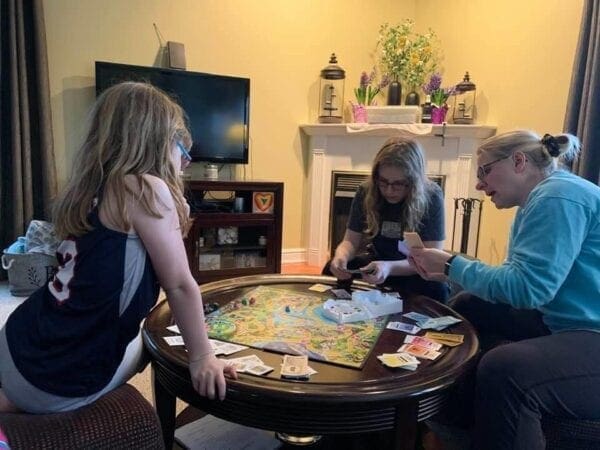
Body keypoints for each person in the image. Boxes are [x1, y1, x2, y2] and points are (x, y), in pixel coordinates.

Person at [0, 82, 237, 414]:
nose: (184, 163)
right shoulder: (145, 187)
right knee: (153, 341)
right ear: (156, 142)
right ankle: (22, 406)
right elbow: (180, 283)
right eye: (181, 150)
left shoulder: (90, 186)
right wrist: (202, 356)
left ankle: (12, 400)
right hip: (54, 378)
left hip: (18, 342)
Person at [410, 130, 600, 449]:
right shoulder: (535, 201)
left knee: (505, 369)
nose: (479, 185)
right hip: (565, 319)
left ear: (519, 161)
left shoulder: (557, 195)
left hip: (591, 333)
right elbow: (516, 280)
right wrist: (452, 269)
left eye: (484, 171)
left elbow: (527, 290)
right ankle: (448, 421)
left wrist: (450, 265)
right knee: (470, 305)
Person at [324, 136, 449, 302]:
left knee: (435, 288)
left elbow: (430, 260)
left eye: (398, 184)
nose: (389, 190)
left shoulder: (432, 195)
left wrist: (389, 267)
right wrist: (341, 256)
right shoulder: (366, 191)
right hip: (378, 264)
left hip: (412, 269)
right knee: (330, 269)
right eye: (383, 182)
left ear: (413, 182)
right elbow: (350, 241)